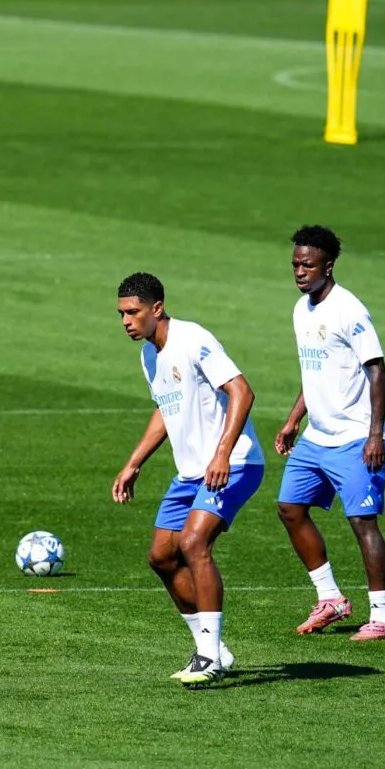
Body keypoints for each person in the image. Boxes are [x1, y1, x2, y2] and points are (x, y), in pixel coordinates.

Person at [112, 272, 264, 686]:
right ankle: (212, 647)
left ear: (156, 308)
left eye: (133, 312)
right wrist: (134, 462)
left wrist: (222, 454)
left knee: (195, 543)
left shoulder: (193, 338)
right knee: (161, 556)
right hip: (191, 473)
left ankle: (209, 656)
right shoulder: (148, 355)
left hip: (234, 464)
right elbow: (165, 408)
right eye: (121, 314)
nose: (126, 321)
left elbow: (242, 391)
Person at [274, 226, 385, 640]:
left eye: (307, 265)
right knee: (290, 508)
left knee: (363, 522)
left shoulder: (349, 311)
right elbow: (314, 373)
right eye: (295, 264)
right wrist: (293, 420)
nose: (300, 272)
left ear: (329, 265)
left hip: (355, 436)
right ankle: (331, 598)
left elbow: (377, 370)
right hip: (316, 437)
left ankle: (380, 616)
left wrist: (374, 434)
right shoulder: (300, 310)